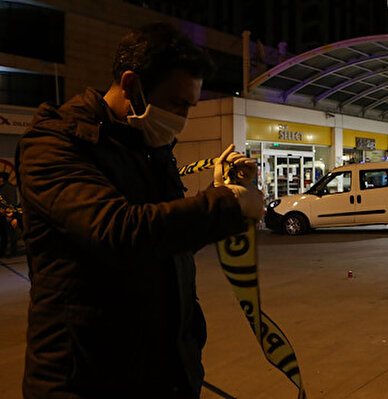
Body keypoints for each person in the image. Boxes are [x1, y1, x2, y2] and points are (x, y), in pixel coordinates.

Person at [16, 23, 264, 399]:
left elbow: (162, 238)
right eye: (177, 103)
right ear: (132, 85)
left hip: (164, 375)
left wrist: (217, 191)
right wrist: (227, 203)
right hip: (86, 381)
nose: (182, 118)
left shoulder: (147, 146)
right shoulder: (54, 144)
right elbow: (119, 232)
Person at [0, 171, 19, 257]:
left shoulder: (9, 188)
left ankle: (13, 251)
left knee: (11, 234)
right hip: (2, 214)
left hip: (8, 214)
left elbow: (12, 202)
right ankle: (3, 251)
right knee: (4, 233)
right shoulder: (2, 187)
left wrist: (9, 213)